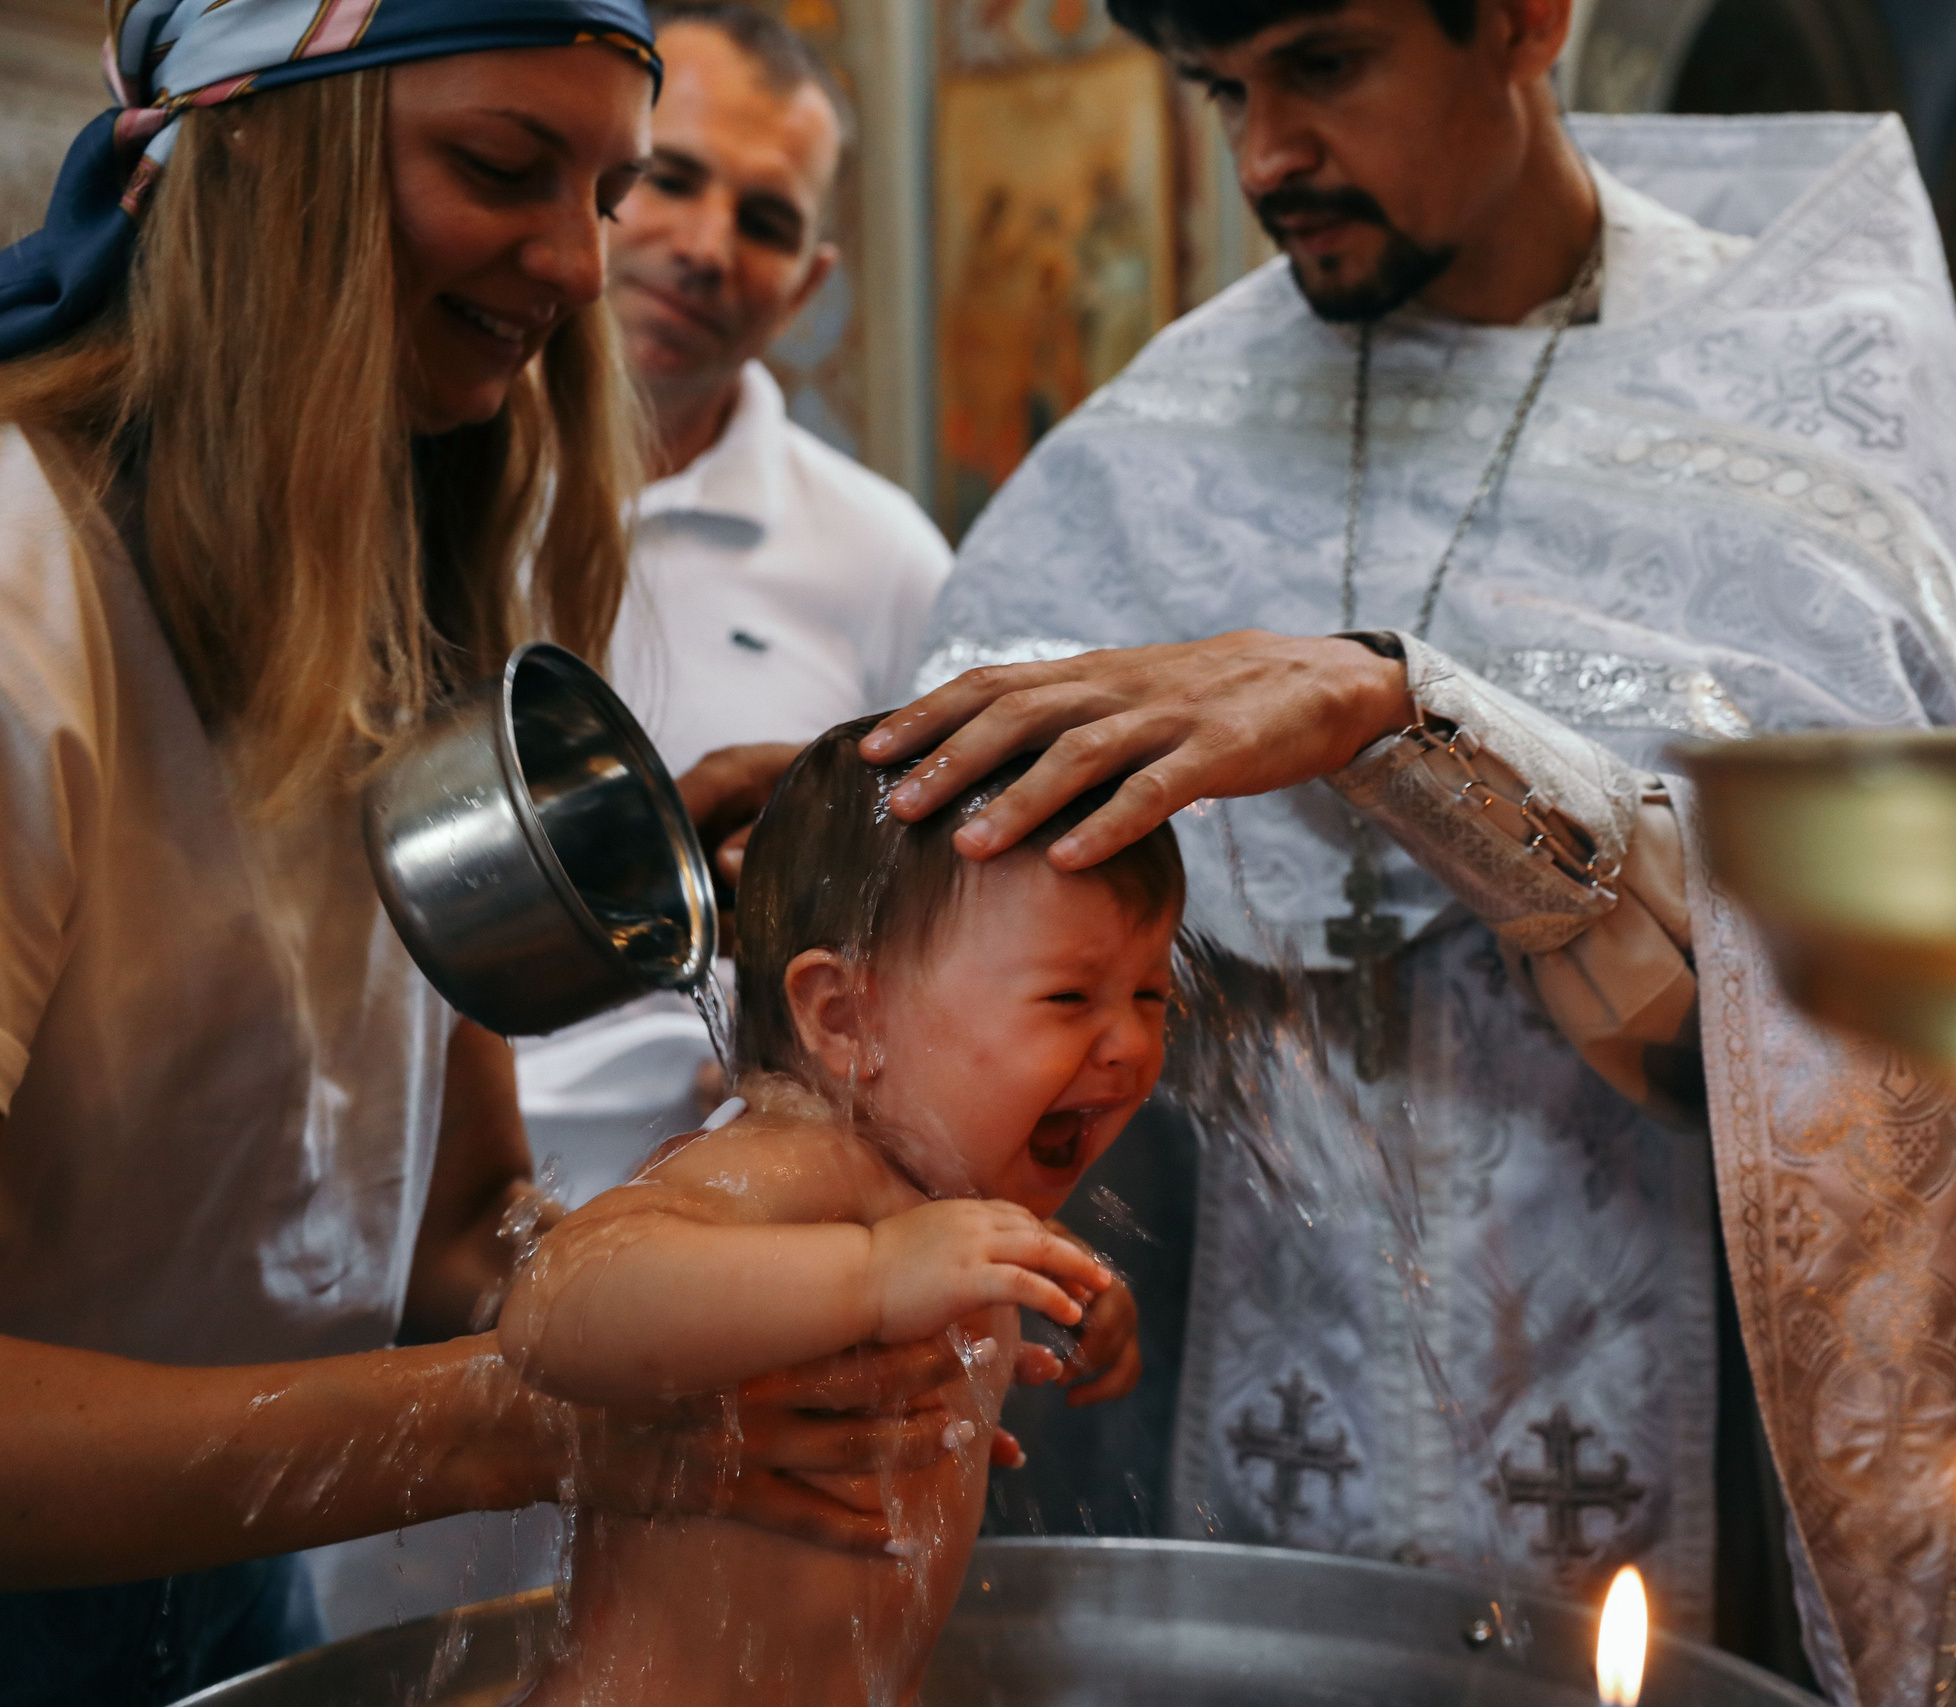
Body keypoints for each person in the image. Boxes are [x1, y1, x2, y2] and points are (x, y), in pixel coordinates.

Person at [853, 0, 1956, 1702]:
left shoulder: (1801, 387)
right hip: (1246, 1409)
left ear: (1524, 22)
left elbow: (1856, 982)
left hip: (1693, 1397)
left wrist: (1401, 719)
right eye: (1223, 91)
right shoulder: (1153, 441)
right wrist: (854, 830)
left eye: (1324, 67)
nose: (1267, 154)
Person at [0, 7, 971, 1701]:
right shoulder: (26, 581)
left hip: (225, 1579)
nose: (584, 268)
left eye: (600, 191)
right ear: (262, 146)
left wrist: (717, 1300)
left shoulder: (403, 559)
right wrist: (524, 1420)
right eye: (504, 166)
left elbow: (457, 1224)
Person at [501, 726, 1179, 1705]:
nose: (1128, 1043)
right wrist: (874, 1275)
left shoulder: (931, 1188)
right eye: (1070, 995)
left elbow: (928, 1239)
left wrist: (1051, 1267)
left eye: (1152, 993)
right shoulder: (793, 1160)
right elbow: (556, 1304)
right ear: (845, 1019)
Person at [513, 2, 955, 1192]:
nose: (708, 247)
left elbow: (940, 921)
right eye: (670, 180)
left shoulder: (886, 557)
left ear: (809, 283)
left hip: (735, 1221)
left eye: (765, 222)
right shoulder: (415, 482)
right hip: (389, 1201)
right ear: (590, 177)